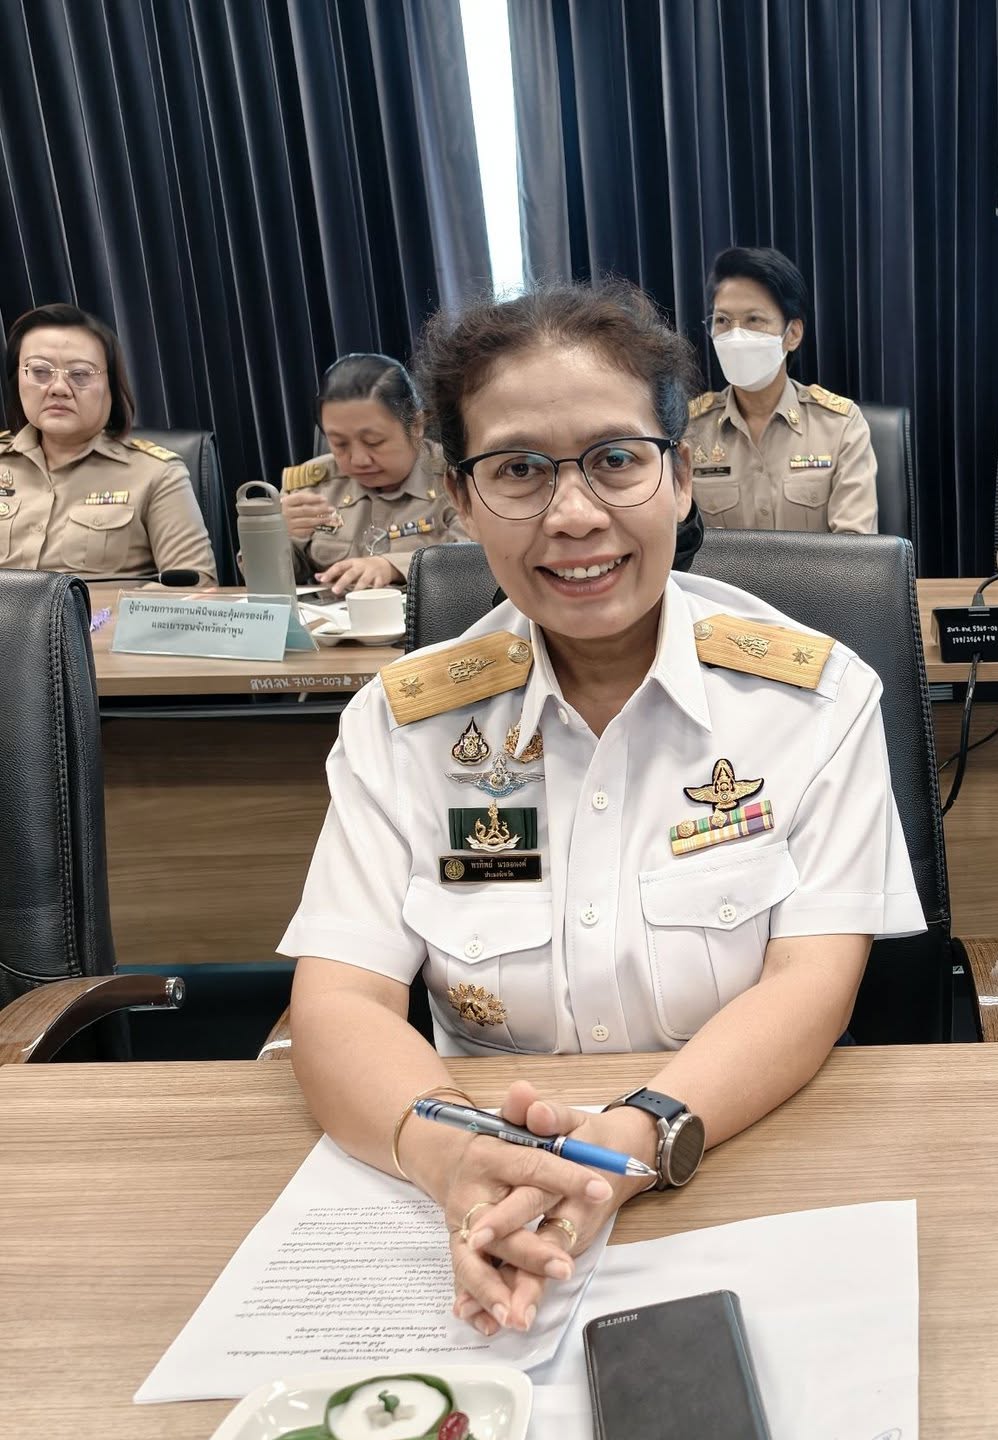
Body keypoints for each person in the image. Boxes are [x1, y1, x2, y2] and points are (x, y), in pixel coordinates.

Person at [280, 280, 923, 1337]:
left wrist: (623, 1147)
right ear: (460, 496)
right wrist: (454, 1160)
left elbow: (812, 982)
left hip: (731, 1161)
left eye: (615, 460)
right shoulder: (398, 725)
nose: (573, 514)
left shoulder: (814, 700)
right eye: (518, 470)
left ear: (677, 476)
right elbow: (340, 1002)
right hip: (469, 1194)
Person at [0, 303, 216, 582]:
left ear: (112, 387)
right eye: (40, 372)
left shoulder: (154, 473)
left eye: (79, 374)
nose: (58, 389)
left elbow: (198, 588)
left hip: (101, 625)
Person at [681, 246, 877, 534]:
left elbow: (855, 556)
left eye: (753, 320)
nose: (736, 335)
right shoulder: (690, 429)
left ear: (792, 334)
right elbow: (678, 545)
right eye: (723, 321)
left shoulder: (840, 427)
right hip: (719, 581)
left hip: (819, 581)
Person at [280, 354, 458, 592]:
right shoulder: (312, 486)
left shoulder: (457, 477)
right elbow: (267, 586)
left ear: (416, 426)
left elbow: (480, 559)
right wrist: (269, 535)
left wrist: (394, 567)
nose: (358, 460)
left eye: (374, 441)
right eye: (340, 444)